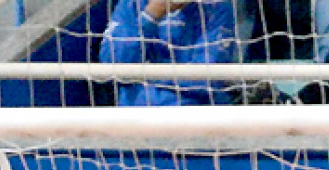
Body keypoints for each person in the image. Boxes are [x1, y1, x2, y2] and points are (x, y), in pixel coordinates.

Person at [98, 0, 239, 107]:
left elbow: (205, 77)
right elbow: (112, 63)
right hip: (135, 115)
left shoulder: (216, 7)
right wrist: (150, 16)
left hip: (193, 114)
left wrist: (143, 77)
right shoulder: (131, 4)